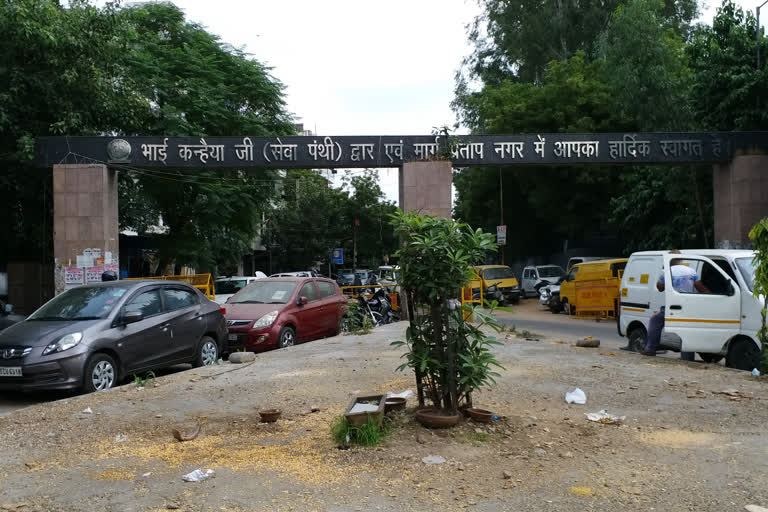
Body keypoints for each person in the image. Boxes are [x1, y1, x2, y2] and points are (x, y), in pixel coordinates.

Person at [642, 251, 710, 359]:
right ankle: (687, 358)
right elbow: (700, 288)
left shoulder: (666, 272)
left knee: (655, 321)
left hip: (673, 306)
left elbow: (660, 288)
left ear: (670, 259)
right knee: (686, 330)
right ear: (681, 259)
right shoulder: (691, 271)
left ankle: (650, 349)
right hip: (688, 306)